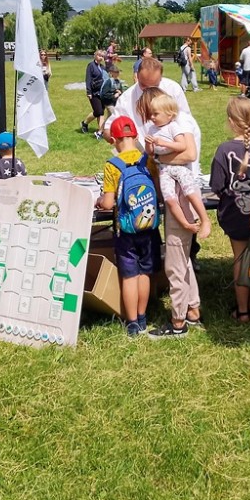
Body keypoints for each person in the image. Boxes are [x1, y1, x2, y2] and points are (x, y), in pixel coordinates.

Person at [110, 58, 202, 339]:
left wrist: (158, 158)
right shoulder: (142, 106)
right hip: (167, 185)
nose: (150, 120)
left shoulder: (179, 120)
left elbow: (189, 154)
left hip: (179, 190)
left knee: (174, 260)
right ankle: (193, 309)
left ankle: (178, 322)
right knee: (181, 255)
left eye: (152, 115)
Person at [97, 116, 161, 337]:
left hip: (125, 230)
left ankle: (132, 322)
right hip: (149, 227)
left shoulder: (112, 165)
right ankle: (143, 317)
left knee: (129, 276)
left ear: (114, 140)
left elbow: (107, 203)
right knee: (145, 273)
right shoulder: (148, 160)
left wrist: (100, 200)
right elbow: (157, 191)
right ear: (135, 136)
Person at [211, 96, 250, 322]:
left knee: (240, 259)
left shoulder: (224, 150)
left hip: (234, 215)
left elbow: (216, 185)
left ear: (231, 121)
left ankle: (242, 311)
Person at [143, 90, 211, 240]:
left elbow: (182, 146)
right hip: (164, 170)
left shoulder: (173, 127)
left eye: (155, 114)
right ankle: (186, 224)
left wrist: (164, 143)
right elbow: (151, 152)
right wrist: (148, 145)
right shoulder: (151, 129)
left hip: (180, 168)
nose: (152, 117)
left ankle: (205, 219)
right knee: (170, 199)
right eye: (151, 114)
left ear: (169, 115)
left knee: (190, 192)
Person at [81, 50, 106, 134]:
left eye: (102, 56)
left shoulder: (102, 67)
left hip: (102, 92)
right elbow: (88, 79)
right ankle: (87, 124)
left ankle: (99, 130)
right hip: (94, 92)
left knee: (100, 112)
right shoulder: (91, 65)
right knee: (99, 112)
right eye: (99, 55)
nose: (101, 57)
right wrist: (89, 92)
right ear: (95, 56)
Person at [97, 65, 125, 139]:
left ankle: (100, 132)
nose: (118, 73)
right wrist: (113, 96)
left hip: (115, 102)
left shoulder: (118, 81)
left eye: (118, 72)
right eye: (116, 72)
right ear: (112, 73)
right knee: (114, 116)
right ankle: (117, 132)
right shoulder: (109, 81)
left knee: (109, 117)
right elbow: (104, 94)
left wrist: (120, 92)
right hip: (108, 103)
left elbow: (120, 91)